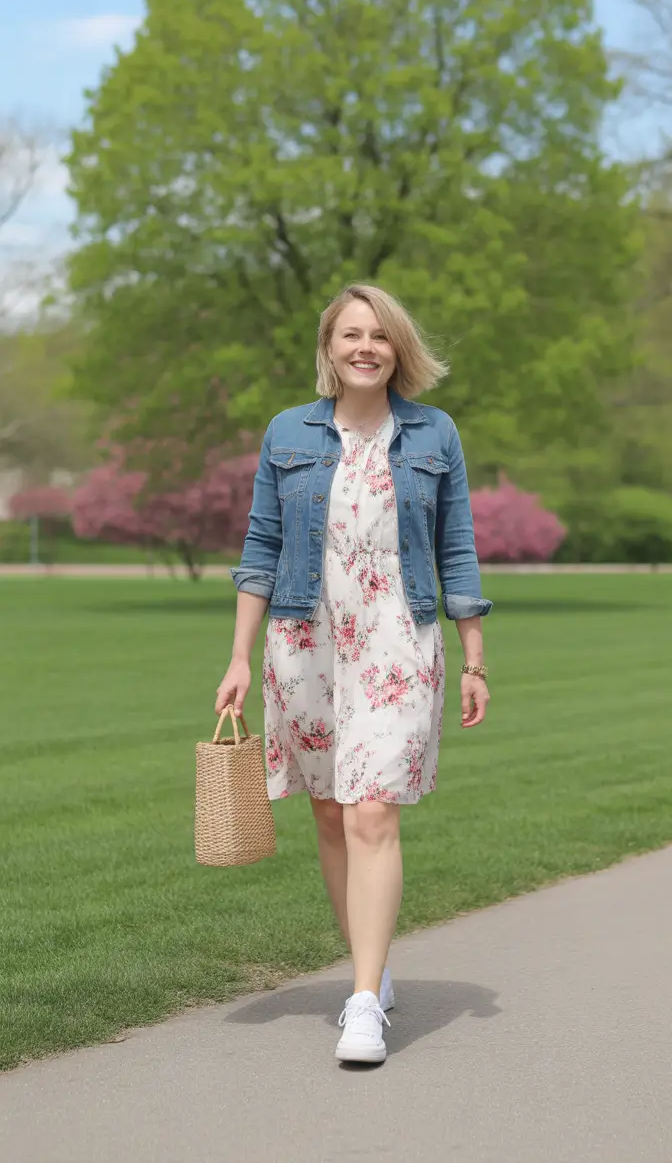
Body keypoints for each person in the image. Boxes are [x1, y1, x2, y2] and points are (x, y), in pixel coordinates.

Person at [215, 282, 492, 1065]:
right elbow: (260, 548)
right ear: (329, 349)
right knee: (332, 815)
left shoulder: (434, 435)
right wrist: (239, 656)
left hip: (398, 641)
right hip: (304, 641)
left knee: (373, 811)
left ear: (398, 348)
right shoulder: (288, 433)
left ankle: (365, 1002)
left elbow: (457, 550)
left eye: (380, 335)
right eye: (351, 336)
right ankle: (371, 969)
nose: (365, 347)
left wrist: (474, 659)